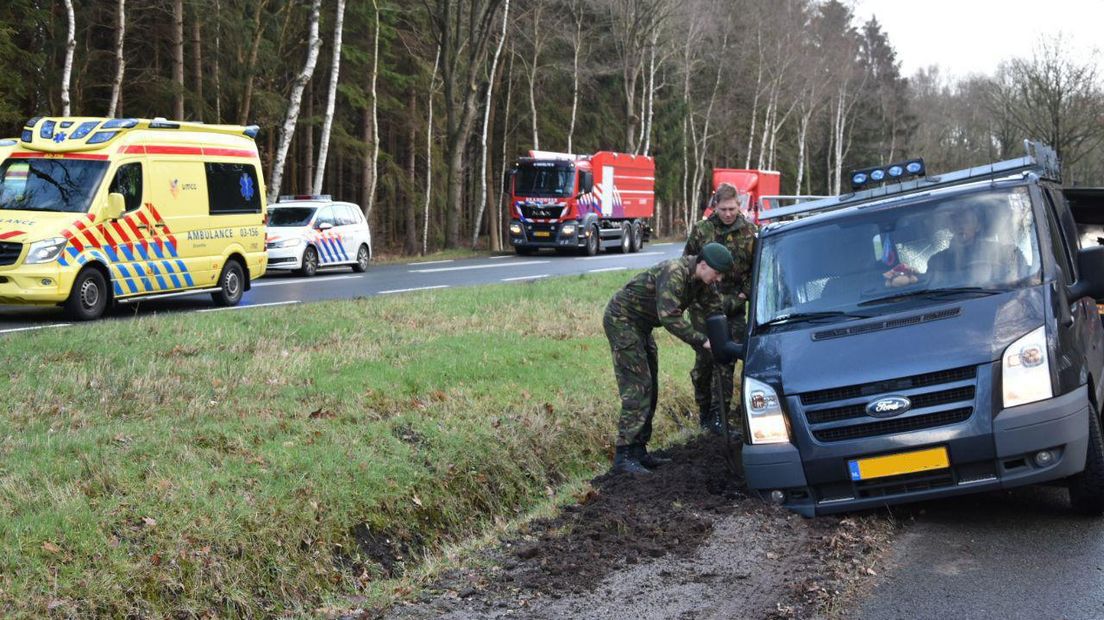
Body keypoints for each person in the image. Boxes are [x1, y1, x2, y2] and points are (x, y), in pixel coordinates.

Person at [604, 243, 732, 474]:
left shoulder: (702, 281)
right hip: (622, 320)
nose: (719, 280)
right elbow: (669, 318)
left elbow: (715, 310)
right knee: (638, 387)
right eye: (718, 273)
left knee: (651, 385)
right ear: (703, 265)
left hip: (641, 326)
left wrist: (723, 341)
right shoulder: (675, 272)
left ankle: (639, 451)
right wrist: (702, 341)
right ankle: (623, 456)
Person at [684, 183, 758, 432]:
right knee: (705, 362)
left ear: (740, 206)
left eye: (732, 209)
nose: (728, 214)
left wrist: (743, 294)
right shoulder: (702, 230)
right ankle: (704, 413)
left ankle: (720, 417)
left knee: (726, 360)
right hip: (704, 305)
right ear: (715, 207)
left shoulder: (749, 231)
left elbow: (756, 270)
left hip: (734, 306)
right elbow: (689, 264)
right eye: (723, 209)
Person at [925, 207, 1026, 287]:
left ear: (978, 226)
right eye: (956, 222)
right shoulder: (937, 261)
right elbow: (933, 289)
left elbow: (1022, 278)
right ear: (950, 227)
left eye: (965, 221)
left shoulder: (1001, 252)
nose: (960, 226)